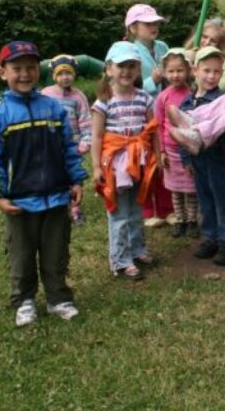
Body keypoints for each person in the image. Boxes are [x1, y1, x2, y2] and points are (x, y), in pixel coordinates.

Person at [0, 41, 87, 326]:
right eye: (17, 68)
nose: (25, 74)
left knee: (56, 253)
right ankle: (24, 301)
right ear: (3, 73)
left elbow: (68, 148)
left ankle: (58, 298)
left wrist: (76, 180)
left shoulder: (53, 109)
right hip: (19, 203)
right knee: (22, 256)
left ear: (39, 71)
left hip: (56, 198)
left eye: (31, 68)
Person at [91, 41, 159, 281]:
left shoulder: (144, 99)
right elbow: (97, 137)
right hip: (116, 165)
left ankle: (137, 249)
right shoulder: (103, 102)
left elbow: (153, 130)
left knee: (137, 207)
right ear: (109, 68)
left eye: (132, 65)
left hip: (139, 161)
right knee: (119, 212)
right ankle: (120, 258)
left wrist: (157, 158)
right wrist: (97, 166)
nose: (127, 71)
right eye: (121, 65)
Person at [177, 46, 225, 266]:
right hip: (199, 160)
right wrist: (186, 159)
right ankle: (210, 237)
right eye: (207, 70)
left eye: (217, 71)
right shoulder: (187, 103)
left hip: (220, 161)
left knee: (224, 201)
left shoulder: (222, 101)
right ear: (195, 70)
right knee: (206, 200)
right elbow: (182, 133)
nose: (212, 76)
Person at [124, 3, 173, 227]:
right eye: (147, 23)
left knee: (165, 156)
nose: (153, 27)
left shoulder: (162, 47)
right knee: (145, 160)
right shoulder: (130, 52)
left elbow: (173, 70)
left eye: (155, 23)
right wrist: (151, 81)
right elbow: (128, 85)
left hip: (165, 110)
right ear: (133, 28)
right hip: (141, 113)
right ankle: (147, 209)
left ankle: (167, 207)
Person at [154, 48, 200, 239]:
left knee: (191, 189)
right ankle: (180, 220)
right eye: (171, 71)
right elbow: (158, 125)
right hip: (171, 151)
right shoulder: (163, 96)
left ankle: (192, 221)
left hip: (188, 150)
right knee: (175, 189)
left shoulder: (193, 94)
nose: (175, 75)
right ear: (164, 73)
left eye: (179, 70)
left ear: (188, 71)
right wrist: (162, 152)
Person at [41, 54, 92, 225]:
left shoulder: (79, 97)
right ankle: (55, 206)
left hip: (73, 143)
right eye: (61, 74)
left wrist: (86, 140)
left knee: (73, 175)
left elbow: (85, 120)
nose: (65, 77)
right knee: (53, 174)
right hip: (51, 143)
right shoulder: (46, 95)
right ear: (54, 75)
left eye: (68, 73)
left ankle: (75, 209)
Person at [190, 17, 225, 91]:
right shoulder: (188, 54)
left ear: (219, 44)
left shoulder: (222, 61)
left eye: (213, 41)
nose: (207, 42)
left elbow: (224, 85)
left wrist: (200, 80)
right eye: (204, 37)